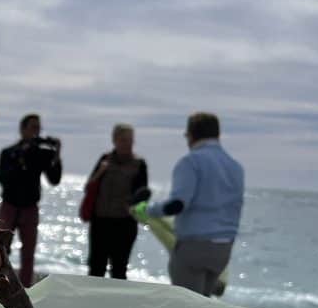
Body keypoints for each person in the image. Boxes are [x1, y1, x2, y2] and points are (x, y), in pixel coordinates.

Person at [132, 112, 245, 296]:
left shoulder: (191, 162)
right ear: (217, 135)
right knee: (204, 303)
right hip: (223, 249)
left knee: (185, 303)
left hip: (194, 247)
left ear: (191, 135)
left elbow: (177, 204)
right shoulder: (235, 167)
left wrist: (148, 210)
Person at [0, 114, 63, 287]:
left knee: (28, 253)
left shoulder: (41, 154)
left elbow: (54, 179)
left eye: (38, 128)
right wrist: (22, 158)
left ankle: (25, 287)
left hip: (29, 207)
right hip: (9, 205)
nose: (36, 131)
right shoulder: (9, 153)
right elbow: (3, 180)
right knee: (0, 247)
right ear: (23, 129)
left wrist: (56, 155)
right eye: (33, 127)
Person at [85, 124, 148, 279]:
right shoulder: (105, 160)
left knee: (119, 270)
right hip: (100, 222)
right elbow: (89, 187)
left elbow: (143, 195)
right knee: (96, 269)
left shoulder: (139, 164)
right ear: (115, 140)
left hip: (124, 224)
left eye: (130, 140)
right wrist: (101, 171)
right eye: (123, 140)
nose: (128, 144)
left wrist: (133, 203)